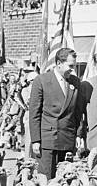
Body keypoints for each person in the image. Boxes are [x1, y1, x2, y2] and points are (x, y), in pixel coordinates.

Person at [29, 47, 85, 179]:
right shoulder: (42, 81)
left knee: (65, 179)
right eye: (70, 66)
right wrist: (36, 140)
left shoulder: (75, 82)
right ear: (59, 63)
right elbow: (34, 113)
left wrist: (78, 135)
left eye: (74, 66)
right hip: (48, 140)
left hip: (67, 138)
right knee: (47, 180)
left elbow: (78, 111)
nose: (73, 70)